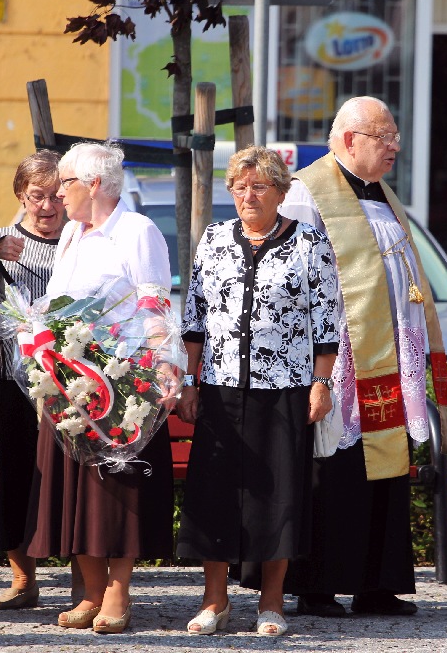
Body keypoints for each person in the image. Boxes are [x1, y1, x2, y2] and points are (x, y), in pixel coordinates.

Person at [278, 96, 447, 618]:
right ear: (352, 139)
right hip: (338, 361)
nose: (396, 147)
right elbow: (293, 282)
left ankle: (377, 582)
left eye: (395, 137)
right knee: (334, 468)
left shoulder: (382, 194)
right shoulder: (306, 193)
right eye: (386, 137)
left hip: (388, 357)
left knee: (382, 468)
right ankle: (318, 584)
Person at [176, 146, 339, 636]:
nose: (248, 195)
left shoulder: (310, 240)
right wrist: (189, 378)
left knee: (279, 496)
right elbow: (195, 313)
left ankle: (272, 604)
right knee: (215, 493)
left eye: (260, 186)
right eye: (240, 187)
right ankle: (214, 602)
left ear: (282, 193)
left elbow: (327, 318)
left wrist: (322, 381)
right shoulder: (214, 238)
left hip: (284, 388)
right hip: (222, 387)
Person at [25, 141, 174, 635]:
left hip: (119, 381)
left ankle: (117, 591)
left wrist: (161, 369)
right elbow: (56, 300)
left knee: (114, 489)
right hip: (68, 380)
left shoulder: (136, 230)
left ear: (92, 185)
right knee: (76, 487)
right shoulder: (71, 233)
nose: (57, 194)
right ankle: (90, 590)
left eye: (64, 183)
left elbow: (155, 303)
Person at [0, 150, 65, 610]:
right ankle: (21, 579)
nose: (48, 207)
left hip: (75, 378)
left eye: (56, 196)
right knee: (15, 474)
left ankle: (83, 582)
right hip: (16, 377)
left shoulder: (81, 237)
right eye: (37, 196)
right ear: (21, 196)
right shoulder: (1, 239)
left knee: (72, 479)